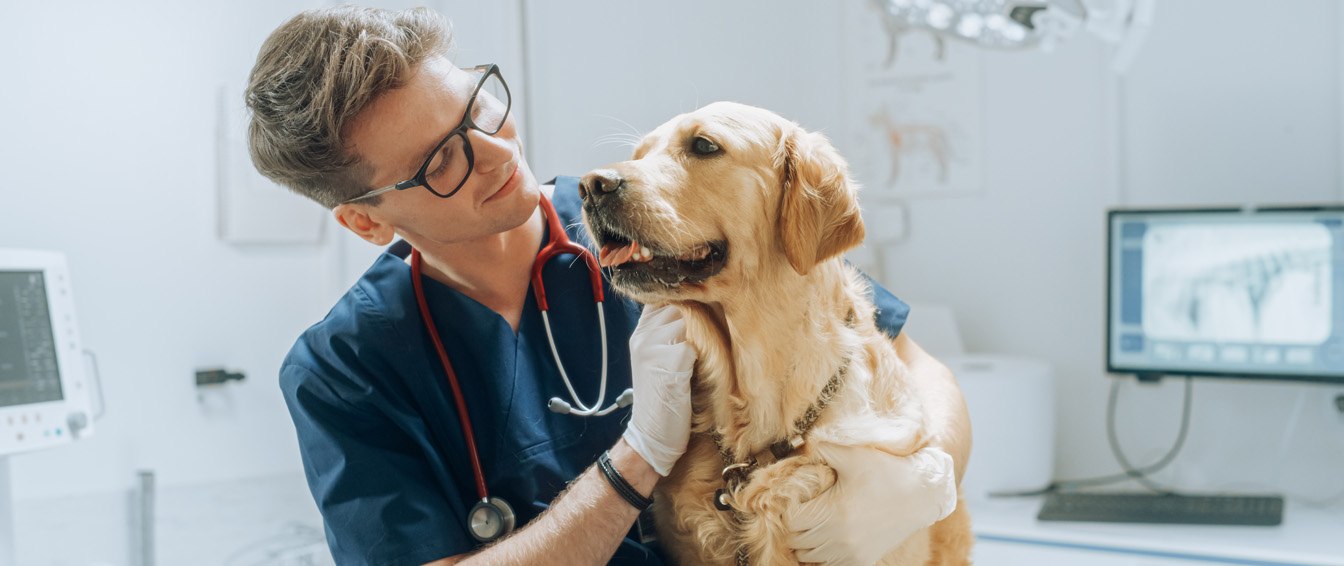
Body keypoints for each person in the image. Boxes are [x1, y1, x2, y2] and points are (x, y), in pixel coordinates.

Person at [246, 6, 970, 565]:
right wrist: (638, 460)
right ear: (365, 224)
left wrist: (924, 476)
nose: (499, 153)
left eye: (481, 106)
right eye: (442, 160)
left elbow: (914, 363)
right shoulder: (344, 370)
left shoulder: (662, 234)